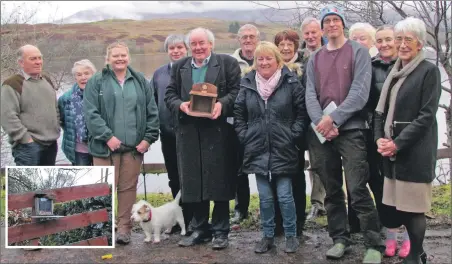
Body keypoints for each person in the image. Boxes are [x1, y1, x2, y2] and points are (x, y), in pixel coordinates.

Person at [305, 5, 384, 262]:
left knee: (358, 187)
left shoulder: (358, 51)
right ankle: (340, 239)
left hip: (351, 130)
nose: (331, 25)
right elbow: (310, 94)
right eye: (326, 21)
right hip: (322, 134)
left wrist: (333, 119)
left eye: (335, 20)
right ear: (322, 26)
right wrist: (321, 122)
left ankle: (373, 243)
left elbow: (360, 92)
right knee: (332, 189)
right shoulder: (315, 57)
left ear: (342, 24)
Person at [165, 27, 241, 250]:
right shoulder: (180, 67)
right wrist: (180, 105)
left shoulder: (227, 64)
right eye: (194, 44)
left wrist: (222, 104)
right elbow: (169, 94)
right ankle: (199, 228)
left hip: (218, 133)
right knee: (193, 182)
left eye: (202, 43)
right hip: (188, 133)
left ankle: (220, 231)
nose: (198, 48)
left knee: (219, 182)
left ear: (211, 44)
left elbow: (237, 92)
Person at [374, 17, 441, 264]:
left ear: (420, 44)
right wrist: (380, 139)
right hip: (392, 154)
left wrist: (398, 143)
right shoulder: (395, 70)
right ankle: (415, 253)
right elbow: (381, 111)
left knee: (414, 209)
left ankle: (416, 254)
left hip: (414, 153)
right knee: (399, 207)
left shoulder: (429, 71)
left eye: (408, 40)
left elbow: (426, 116)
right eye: (399, 38)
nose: (402, 44)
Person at [234, 41, 307, 253]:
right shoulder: (247, 83)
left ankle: (291, 235)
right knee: (265, 197)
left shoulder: (291, 82)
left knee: (285, 195)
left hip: (284, 148)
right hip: (257, 149)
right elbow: (239, 113)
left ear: (278, 60)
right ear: (255, 62)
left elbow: (301, 113)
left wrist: (293, 135)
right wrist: (245, 136)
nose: (264, 62)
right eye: (260, 59)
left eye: (268, 58)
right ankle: (267, 236)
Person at [83, 42, 159, 245]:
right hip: (104, 148)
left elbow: (152, 111)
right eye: (115, 55)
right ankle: (102, 229)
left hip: (133, 149)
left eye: (123, 55)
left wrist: (148, 138)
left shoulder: (141, 81)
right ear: (107, 58)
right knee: (103, 189)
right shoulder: (96, 82)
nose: (120, 59)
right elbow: (90, 114)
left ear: (129, 57)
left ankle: (124, 228)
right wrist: (107, 136)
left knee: (128, 189)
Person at [151, 34, 193, 234]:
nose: (176, 51)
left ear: (187, 49)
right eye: (172, 48)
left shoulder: (193, 70)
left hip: (191, 134)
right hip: (167, 133)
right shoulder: (159, 74)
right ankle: (178, 218)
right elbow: (152, 103)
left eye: (179, 47)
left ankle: (193, 217)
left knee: (191, 177)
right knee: (174, 177)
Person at [1, 44, 60, 166]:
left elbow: (55, 109)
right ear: (21, 63)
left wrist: (56, 128)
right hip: (28, 147)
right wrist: (26, 139)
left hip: (51, 144)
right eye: (33, 59)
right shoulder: (12, 84)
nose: (38, 62)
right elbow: (7, 117)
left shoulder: (47, 80)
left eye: (40, 58)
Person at [273, 29, 307, 237]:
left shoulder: (303, 70)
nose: (285, 48)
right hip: (273, 134)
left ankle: (297, 223)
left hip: (295, 133)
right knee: (275, 177)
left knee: (296, 177)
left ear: (296, 46)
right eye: (281, 44)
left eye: (289, 44)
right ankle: (278, 222)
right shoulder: (270, 67)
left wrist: (295, 132)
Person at [230, 24, 260, 225]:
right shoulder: (230, 62)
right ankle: (241, 209)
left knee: (265, 166)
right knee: (238, 169)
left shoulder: (265, 56)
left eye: (251, 36)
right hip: (238, 122)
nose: (248, 40)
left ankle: (269, 207)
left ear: (257, 39)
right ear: (239, 40)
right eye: (244, 37)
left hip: (261, 121)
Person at [299, 16, 327, 221]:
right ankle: (299, 201)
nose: (310, 36)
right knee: (301, 162)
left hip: (323, 115)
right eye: (307, 33)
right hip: (301, 116)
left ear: (322, 33)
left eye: (314, 32)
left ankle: (320, 202)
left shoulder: (330, 53)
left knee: (320, 162)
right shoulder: (297, 57)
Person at [58, 59, 97, 166]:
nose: (83, 77)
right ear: (75, 77)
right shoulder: (66, 98)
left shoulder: (101, 95)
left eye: (86, 73)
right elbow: (62, 121)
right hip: (79, 150)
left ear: (93, 75)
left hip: (100, 148)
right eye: (79, 74)